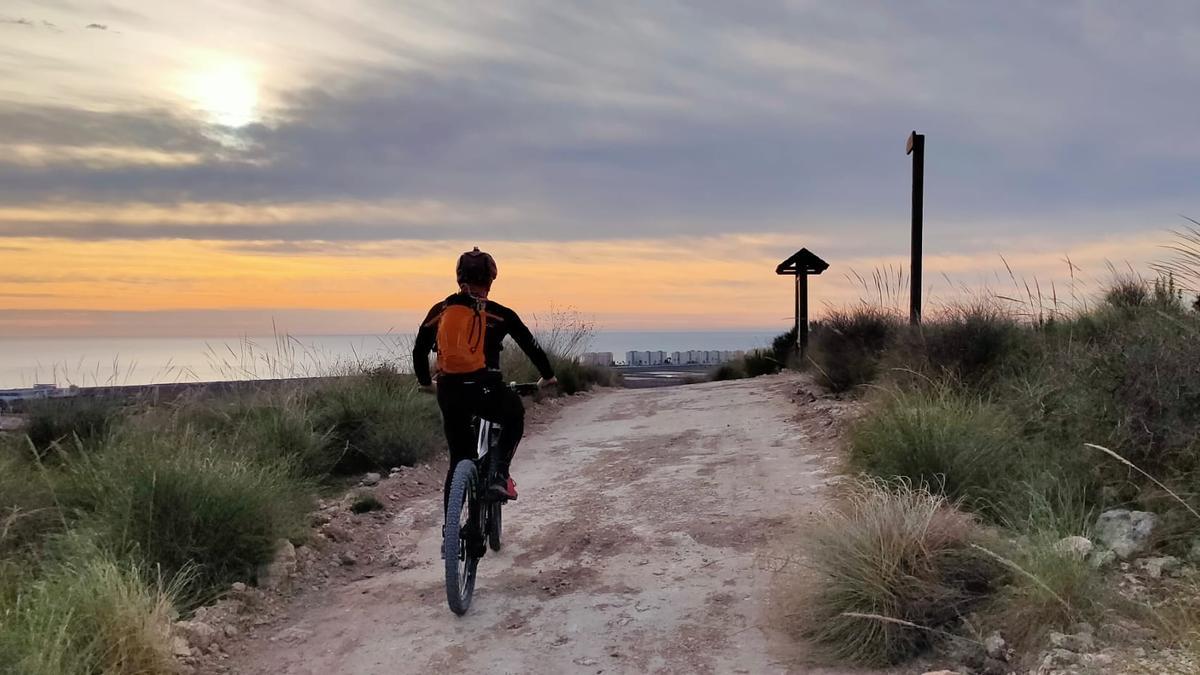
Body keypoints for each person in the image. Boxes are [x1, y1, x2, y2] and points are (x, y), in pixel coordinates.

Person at [413, 247, 556, 508]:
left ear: (459, 278)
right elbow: (532, 347)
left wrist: (425, 383)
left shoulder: (441, 310)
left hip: (449, 391)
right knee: (513, 414)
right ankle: (499, 473)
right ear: (490, 280)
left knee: (458, 460)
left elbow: (419, 350)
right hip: (486, 390)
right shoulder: (501, 314)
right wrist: (547, 377)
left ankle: (451, 535)